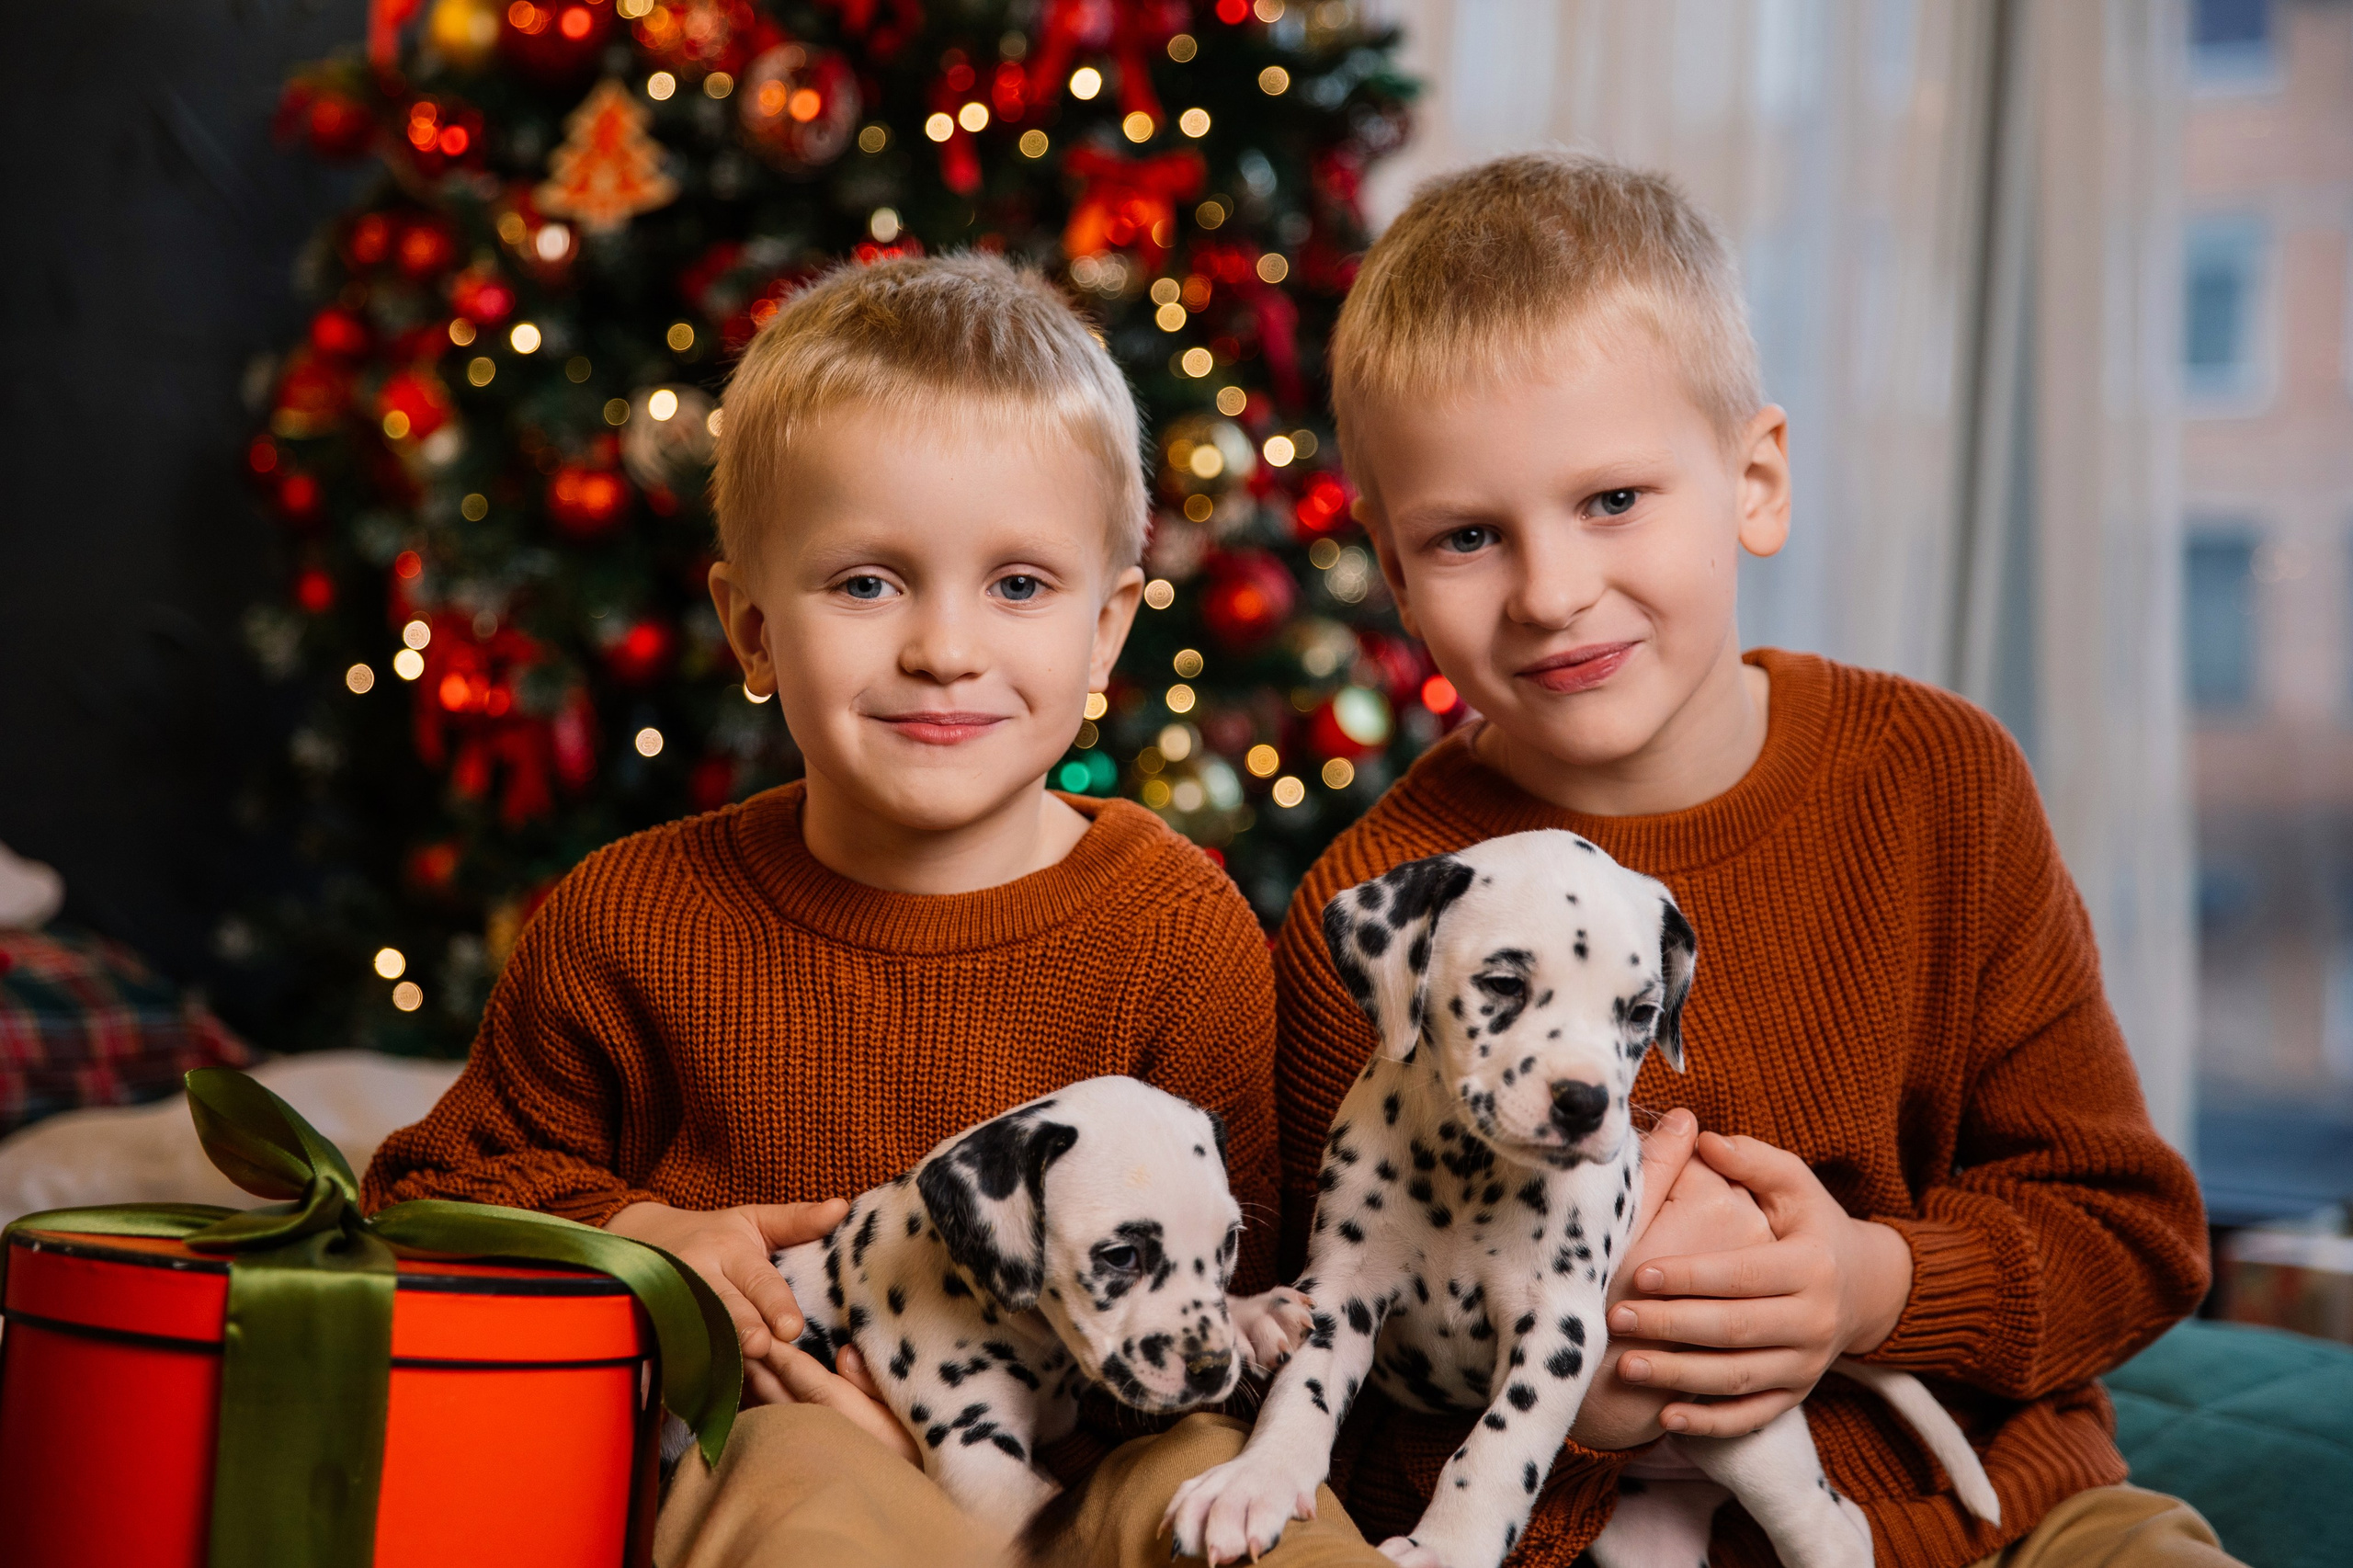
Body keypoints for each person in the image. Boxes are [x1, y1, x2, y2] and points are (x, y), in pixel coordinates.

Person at [1248, 152, 2225, 1568]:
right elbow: (1328, 1346)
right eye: (1467, 536)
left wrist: (1868, 1284)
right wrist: (1590, 1392)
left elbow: (2133, 1238)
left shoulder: (1940, 783)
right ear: (1397, 583)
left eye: (1613, 500)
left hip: (2006, 1516)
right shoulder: (1379, 906)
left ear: (1754, 480)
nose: (1553, 588)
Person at [363, 253, 1282, 1568]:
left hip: (1104, 1451)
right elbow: (426, 1193)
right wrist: (634, 1228)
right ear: (749, 629)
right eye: (868, 582)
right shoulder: (631, 918)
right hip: (789, 1445)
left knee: (1234, 1486)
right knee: (799, 1473)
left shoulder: (1177, 932)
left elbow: (1252, 1291)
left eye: (1018, 584)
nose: (943, 648)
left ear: (1107, 631)